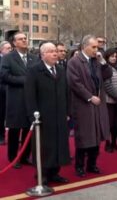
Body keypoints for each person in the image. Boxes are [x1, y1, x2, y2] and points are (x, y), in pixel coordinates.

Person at [25, 42, 70, 185]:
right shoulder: (34, 70)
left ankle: (55, 172)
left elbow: (66, 92)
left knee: (59, 144)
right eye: (51, 51)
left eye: (55, 51)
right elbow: (29, 96)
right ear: (43, 54)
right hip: (43, 117)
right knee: (44, 146)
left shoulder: (61, 69)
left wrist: (68, 111)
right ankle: (42, 174)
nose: (55, 54)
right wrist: (34, 116)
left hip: (60, 115)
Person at [67, 35, 111, 177]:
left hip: (98, 104)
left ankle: (92, 164)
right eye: (93, 47)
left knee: (96, 135)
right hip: (83, 105)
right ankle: (79, 166)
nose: (96, 50)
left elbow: (107, 74)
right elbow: (75, 83)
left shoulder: (96, 61)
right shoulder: (74, 62)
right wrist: (89, 97)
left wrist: (103, 61)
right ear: (84, 46)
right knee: (84, 137)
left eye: (97, 47)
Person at [0, 32, 39, 169]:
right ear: (14, 43)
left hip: (31, 100)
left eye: (25, 38)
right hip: (16, 99)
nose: (24, 40)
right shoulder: (8, 58)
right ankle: (13, 158)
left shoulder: (34, 58)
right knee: (15, 131)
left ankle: (24, 157)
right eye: (21, 39)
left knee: (29, 129)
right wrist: (24, 81)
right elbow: (4, 76)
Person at [0, 41, 12, 145]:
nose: (10, 50)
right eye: (7, 48)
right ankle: (1, 136)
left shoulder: (12, 60)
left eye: (10, 48)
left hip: (11, 91)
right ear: (1, 50)